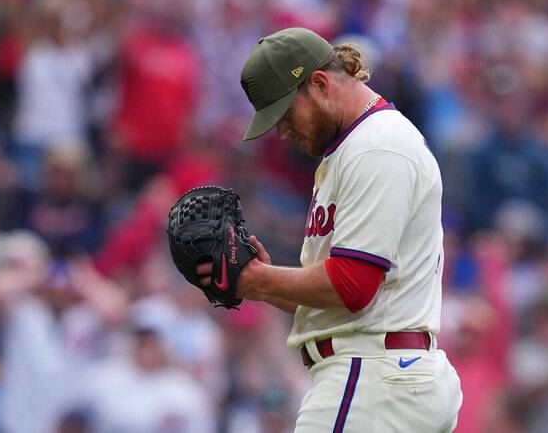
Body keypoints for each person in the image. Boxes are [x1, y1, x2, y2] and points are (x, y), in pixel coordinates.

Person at [197, 27, 462, 431]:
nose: (282, 132)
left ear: (319, 84)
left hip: (371, 379)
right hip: (383, 373)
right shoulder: (356, 147)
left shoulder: (376, 146)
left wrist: (256, 280)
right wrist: (268, 284)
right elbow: (344, 302)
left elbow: (352, 285)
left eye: (285, 115)